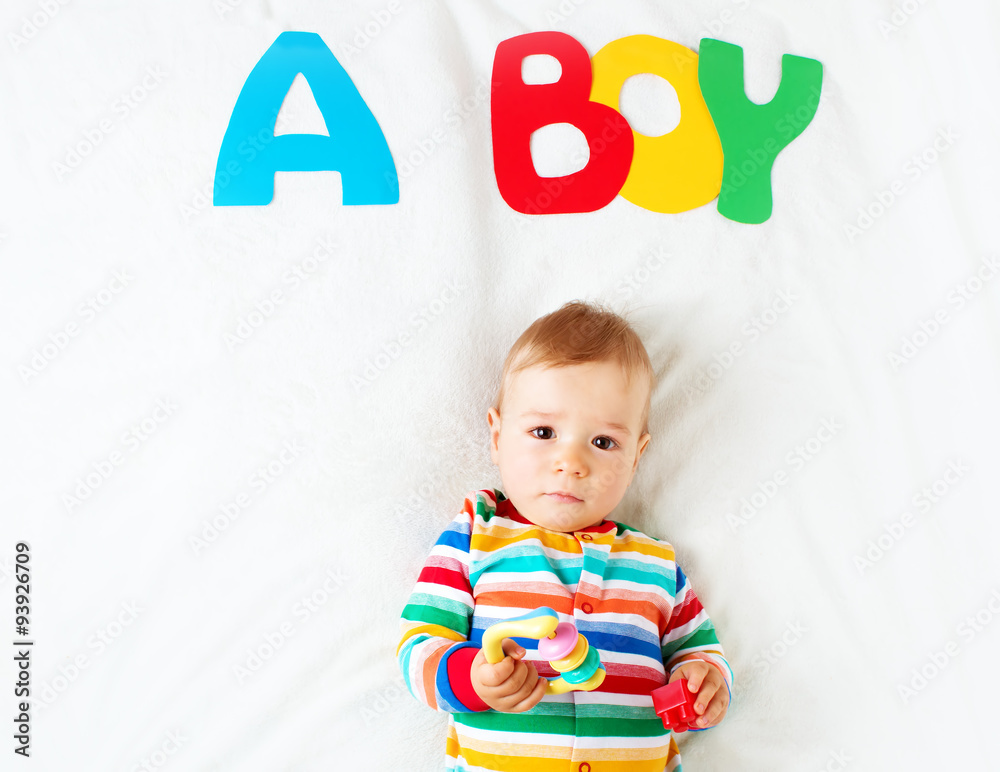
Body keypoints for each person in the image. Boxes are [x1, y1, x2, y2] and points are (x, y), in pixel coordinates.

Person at [396, 299, 733, 771]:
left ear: (637, 457)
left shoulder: (655, 564)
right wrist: (470, 677)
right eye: (543, 431)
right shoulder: (477, 536)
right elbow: (418, 645)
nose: (571, 462)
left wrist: (705, 683)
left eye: (603, 442)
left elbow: (698, 650)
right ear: (496, 438)